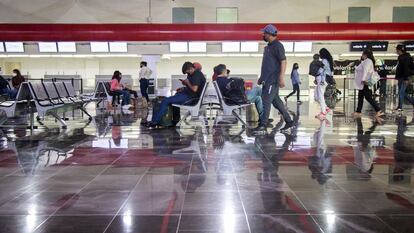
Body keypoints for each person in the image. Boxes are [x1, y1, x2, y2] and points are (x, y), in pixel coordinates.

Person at [255, 24, 294, 132]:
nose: (263, 35)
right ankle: (289, 122)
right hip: (267, 80)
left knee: (265, 101)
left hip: (273, 80)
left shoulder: (278, 46)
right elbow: (268, 65)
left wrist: (281, 77)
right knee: (276, 102)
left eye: (265, 33)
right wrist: (261, 77)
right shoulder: (269, 47)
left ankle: (263, 125)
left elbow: (283, 61)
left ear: (270, 34)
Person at [146, 62, 206, 128]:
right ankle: (176, 120)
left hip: (190, 98)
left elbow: (194, 89)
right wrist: (184, 86)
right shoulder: (195, 74)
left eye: (187, 72)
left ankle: (154, 122)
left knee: (165, 100)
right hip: (188, 95)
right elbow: (193, 87)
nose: (187, 73)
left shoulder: (196, 75)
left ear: (190, 68)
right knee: (174, 96)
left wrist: (187, 82)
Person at [353, 50, 384, 118]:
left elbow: (365, 71)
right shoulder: (366, 61)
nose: (361, 55)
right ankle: (358, 111)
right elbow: (360, 69)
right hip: (363, 82)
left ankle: (378, 110)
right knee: (360, 96)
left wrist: (363, 80)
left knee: (367, 96)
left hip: (365, 82)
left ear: (365, 55)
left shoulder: (368, 61)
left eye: (362, 54)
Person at [395, 44, 414, 112]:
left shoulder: (405, 57)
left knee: (401, 92)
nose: (396, 51)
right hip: (401, 77)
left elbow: (405, 69)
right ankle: (400, 106)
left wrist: (406, 79)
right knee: (401, 92)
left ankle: (400, 107)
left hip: (404, 77)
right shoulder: (402, 57)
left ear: (400, 50)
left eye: (397, 50)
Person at [315, 48, 333, 120]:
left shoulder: (324, 61)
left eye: (320, 53)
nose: (319, 55)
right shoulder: (328, 61)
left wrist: (316, 74)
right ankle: (326, 108)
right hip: (324, 79)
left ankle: (323, 112)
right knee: (316, 95)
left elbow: (321, 70)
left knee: (320, 95)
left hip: (323, 79)